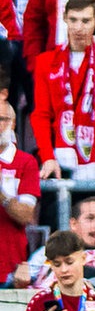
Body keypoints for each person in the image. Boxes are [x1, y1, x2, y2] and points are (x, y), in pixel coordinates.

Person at [31, 0, 95, 180]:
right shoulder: (45, 62)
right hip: (59, 156)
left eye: (85, 21)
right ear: (64, 18)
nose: (78, 28)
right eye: (73, 20)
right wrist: (48, 157)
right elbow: (41, 115)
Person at [25, 197, 95, 289]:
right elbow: (24, 277)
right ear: (73, 224)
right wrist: (20, 278)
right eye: (90, 219)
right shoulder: (50, 249)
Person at [0, 102, 40, 288]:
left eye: (3, 119)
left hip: (8, 268)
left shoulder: (25, 162)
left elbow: (25, 215)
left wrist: (3, 195)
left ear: (13, 123)